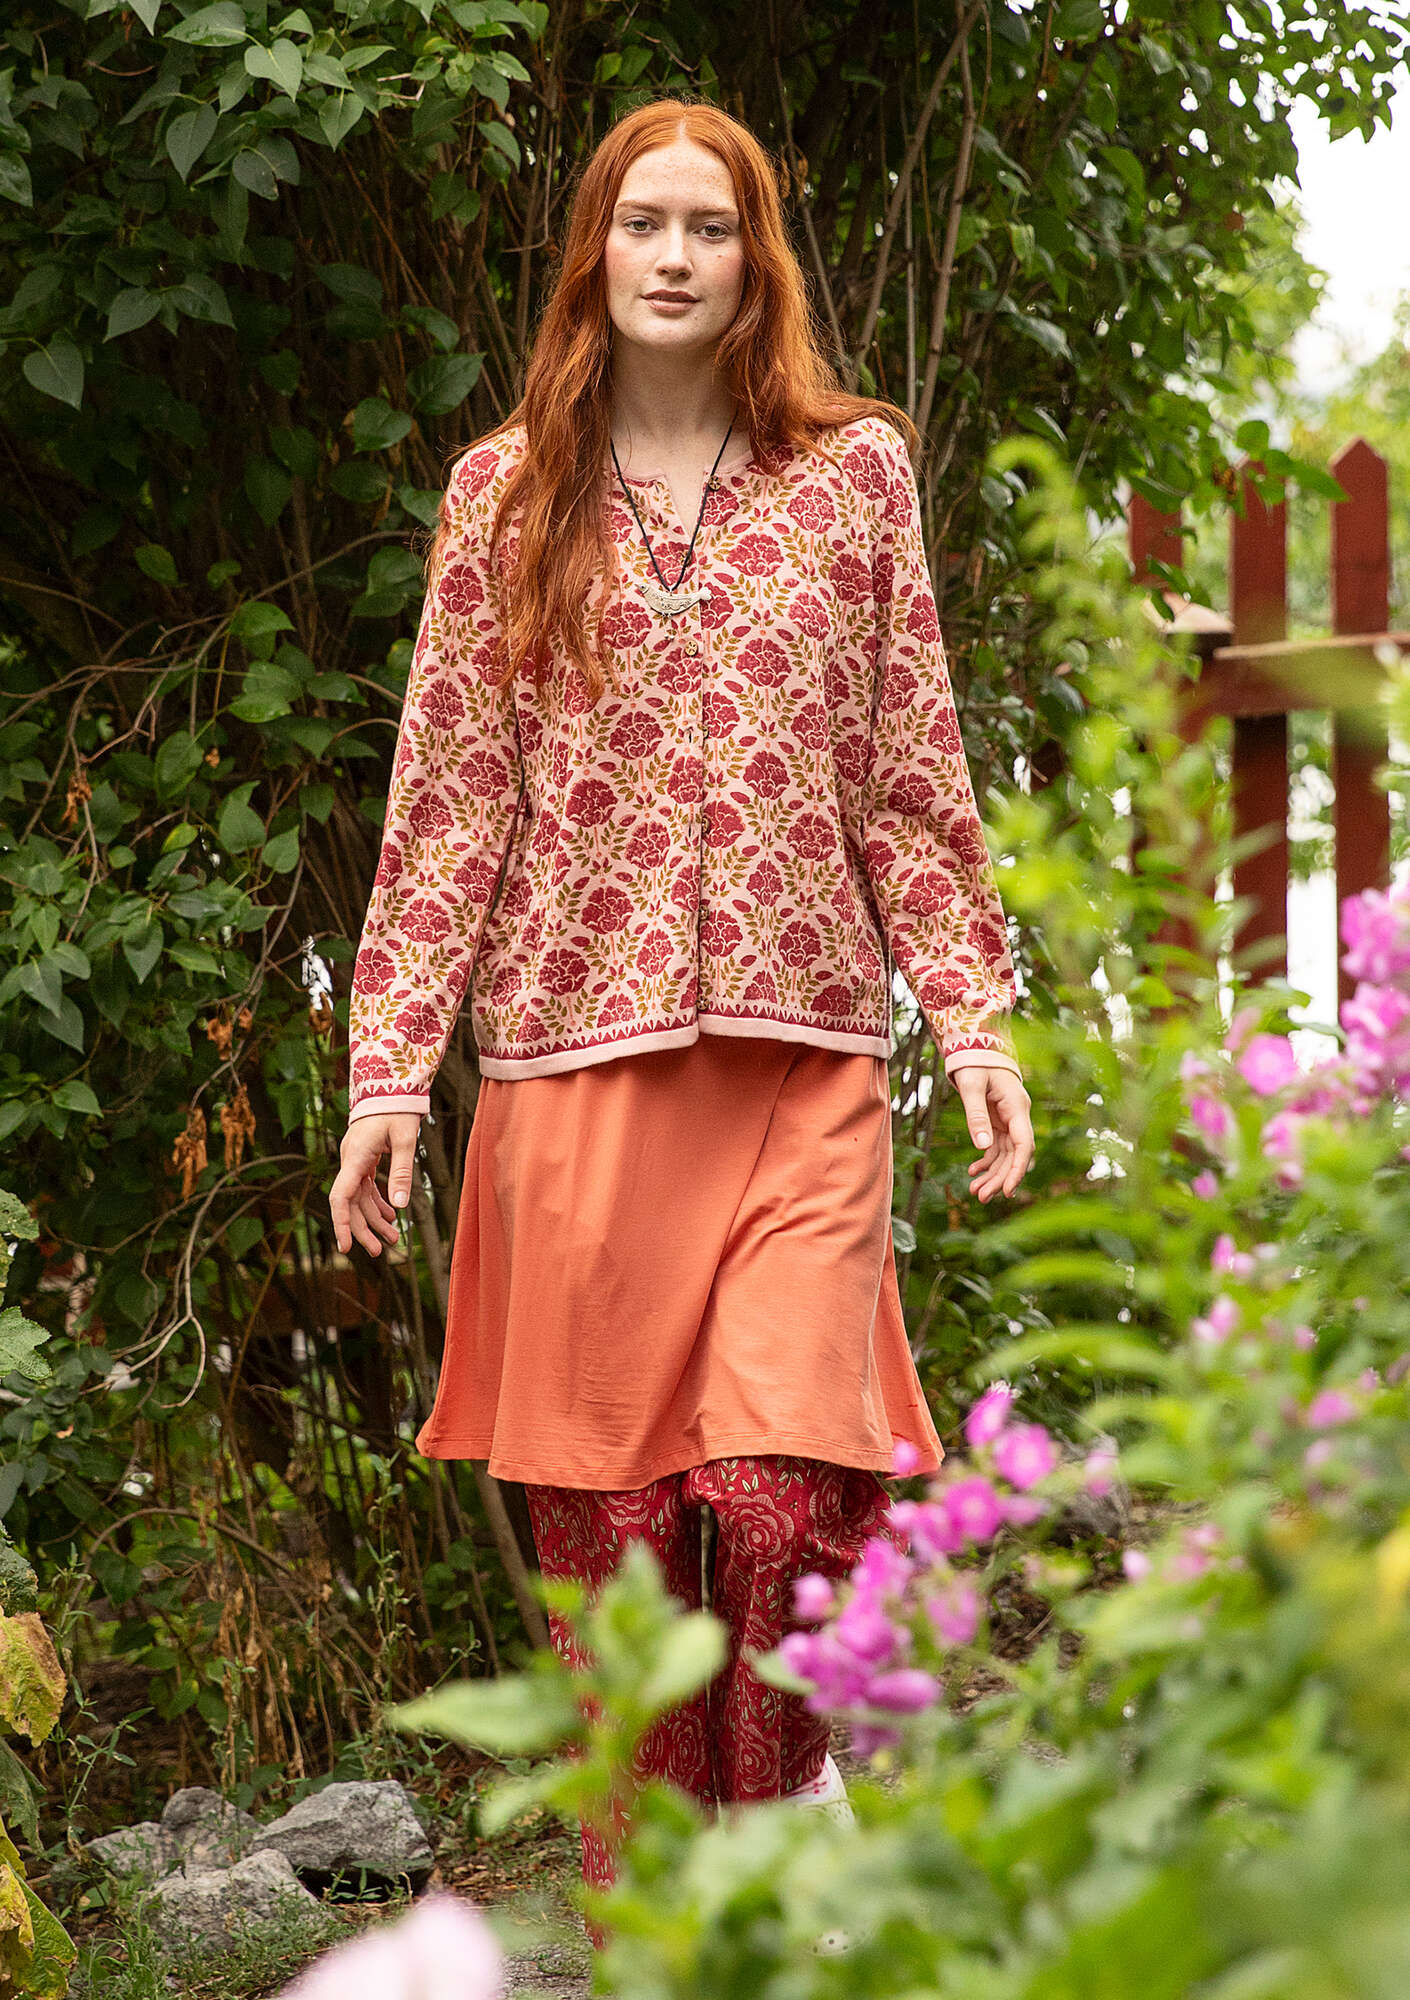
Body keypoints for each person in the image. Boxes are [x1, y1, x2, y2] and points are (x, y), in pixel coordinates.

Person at [328, 94, 1035, 1921]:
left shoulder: (852, 478)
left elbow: (908, 782)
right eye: (641, 223)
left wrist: (972, 1021)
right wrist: (388, 1071)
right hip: (574, 1075)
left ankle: (783, 1835)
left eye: (708, 227)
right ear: (593, 252)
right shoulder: (502, 498)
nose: (672, 255)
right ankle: (671, 1924)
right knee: (626, 1570)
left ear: (754, 261)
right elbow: (449, 803)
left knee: (785, 1503)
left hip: (803, 1069)